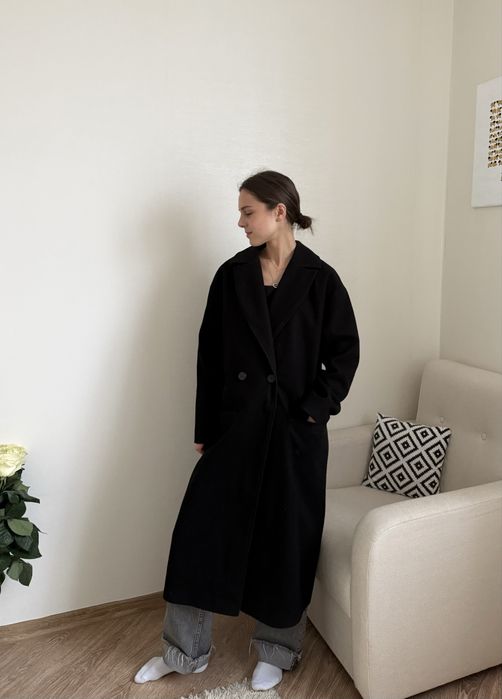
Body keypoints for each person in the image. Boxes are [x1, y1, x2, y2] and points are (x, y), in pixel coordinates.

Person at [134, 170, 360, 690]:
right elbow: (209, 357)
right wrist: (206, 426)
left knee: (287, 542)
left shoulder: (321, 280)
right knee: (198, 537)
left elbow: (345, 353)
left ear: (280, 211)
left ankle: (276, 651)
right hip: (235, 429)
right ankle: (184, 651)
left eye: (247, 211)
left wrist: (313, 410)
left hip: (294, 436)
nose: (240, 222)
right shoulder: (231, 275)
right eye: (240, 212)